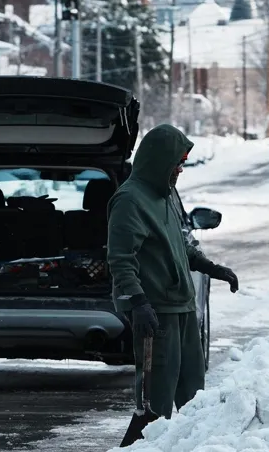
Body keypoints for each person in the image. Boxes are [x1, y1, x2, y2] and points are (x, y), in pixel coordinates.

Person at [107, 124, 240, 432]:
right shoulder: (130, 200)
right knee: (154, 403)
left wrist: (210, 268)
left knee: (195, 397)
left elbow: (178, 245)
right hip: (155, 311)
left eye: (182, 162)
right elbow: (121, 260)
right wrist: (138, 303)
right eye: (177, 162)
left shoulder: (165, 193)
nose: (181, 169)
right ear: (159, 159)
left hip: (181, 306)